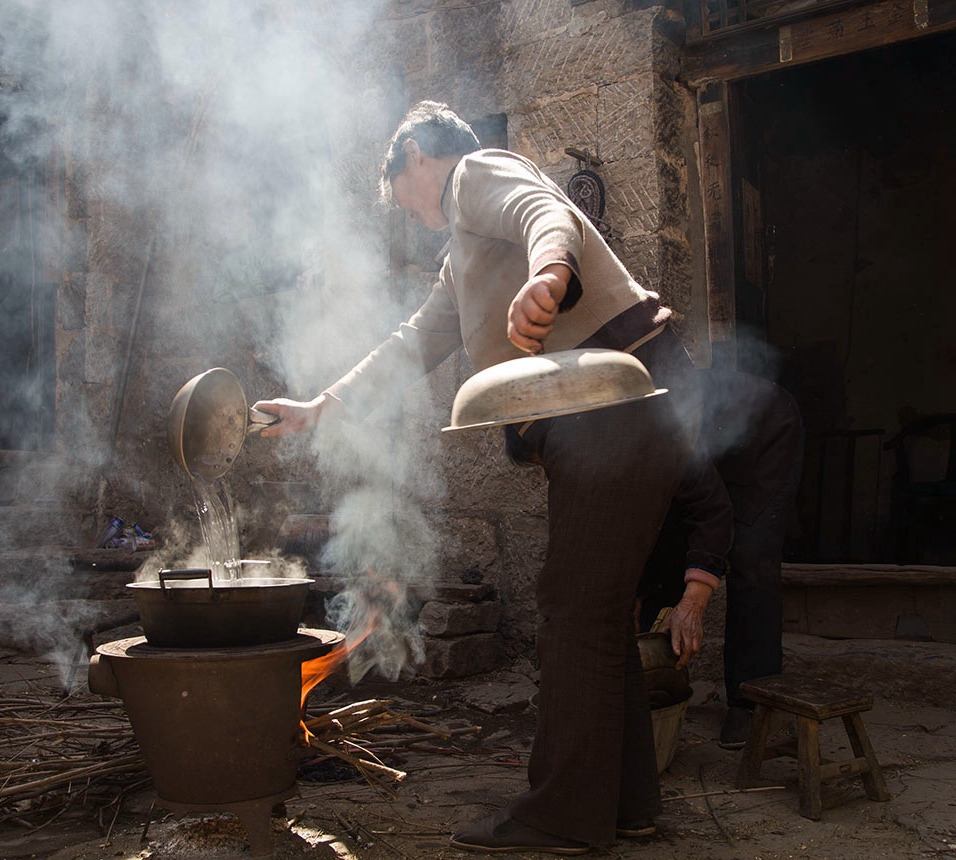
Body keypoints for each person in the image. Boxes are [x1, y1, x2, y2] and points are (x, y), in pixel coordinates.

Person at [254, 101, 719, 854]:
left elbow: (545, 210)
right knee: (594, 608)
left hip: (614, 402)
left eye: (396, 188)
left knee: (571, 606)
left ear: (415, 158)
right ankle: (626, 803)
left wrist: (548, 274)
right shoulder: (461, 256)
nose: (404, 209)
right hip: (608, 415)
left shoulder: (475, 173)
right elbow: (414, 342)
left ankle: (559, 816)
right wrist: (321, 407)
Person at [638, 368, 805, 748]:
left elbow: (713, 513)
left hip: (766, 436)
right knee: (663, 558)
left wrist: (694, 601)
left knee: (751, 557)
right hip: (708, 452)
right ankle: (657, 685)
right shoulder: (613, 451)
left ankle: (751, 703)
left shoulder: (663, 433)